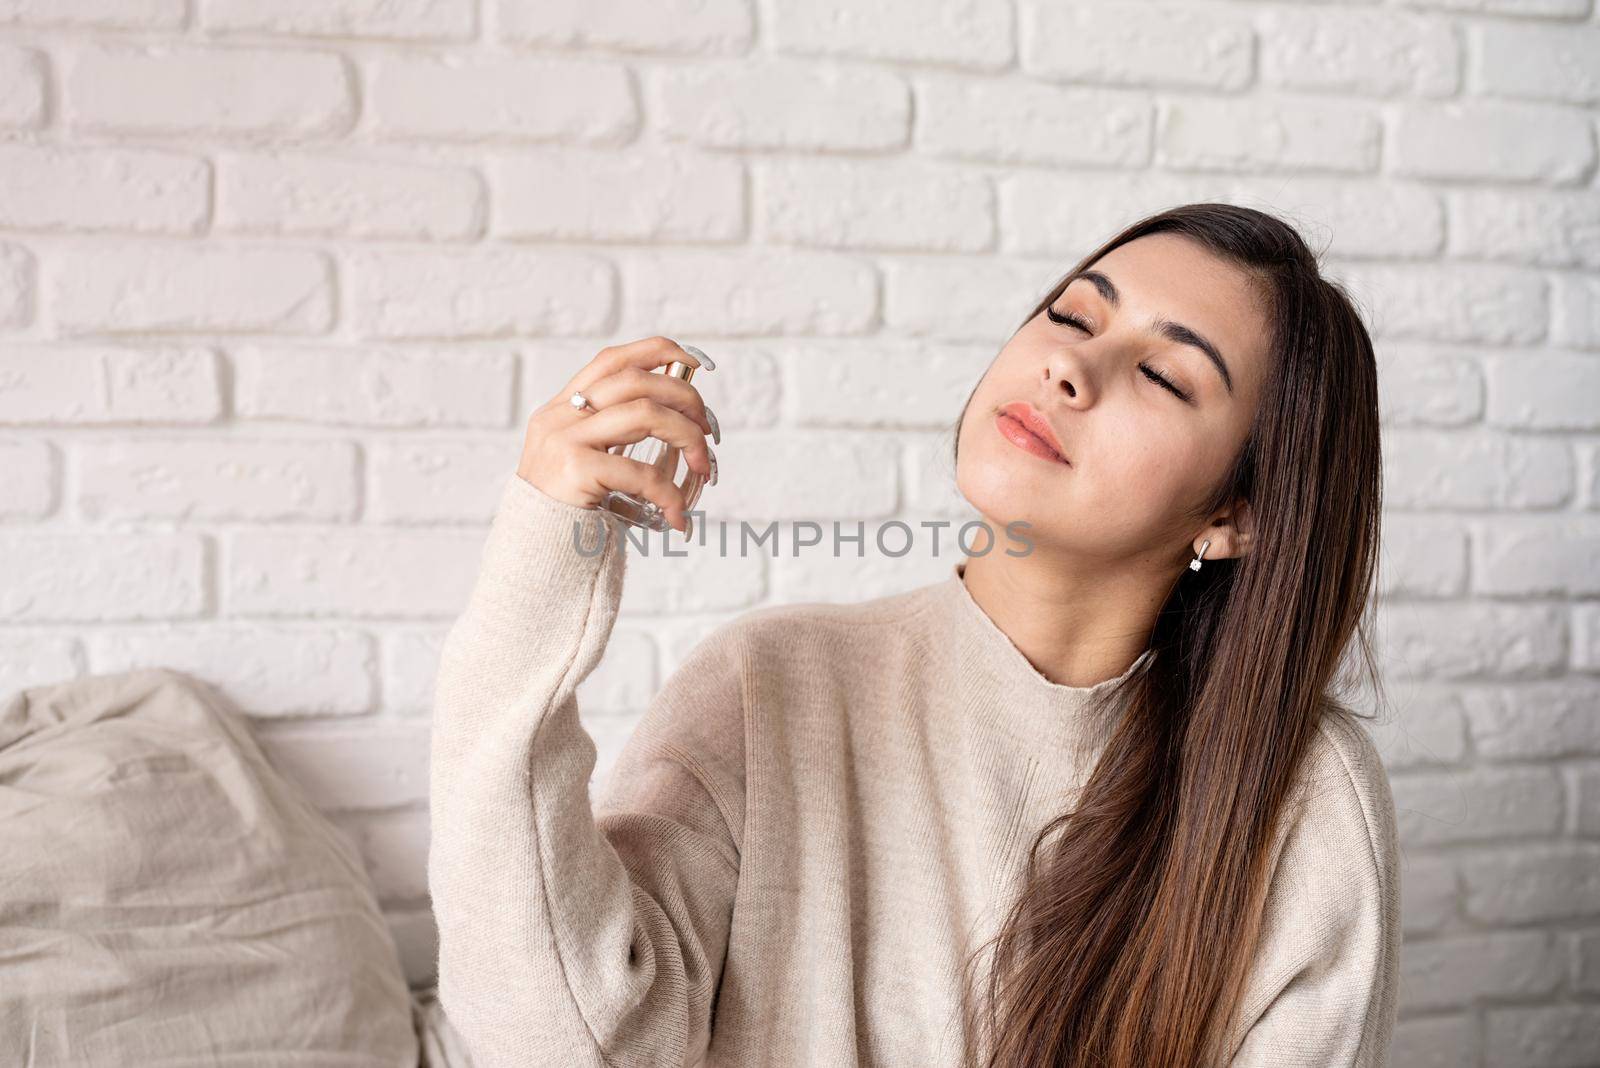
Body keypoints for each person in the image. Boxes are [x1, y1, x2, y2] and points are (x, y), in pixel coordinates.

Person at [427, 202, 1401, 1068]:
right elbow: (560, 1045)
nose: (1070, 365)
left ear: (1238, 512)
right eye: (1071, 315)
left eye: (1160, 371)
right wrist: (544, 549)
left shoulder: (1300, 799)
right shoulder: (770, 688)